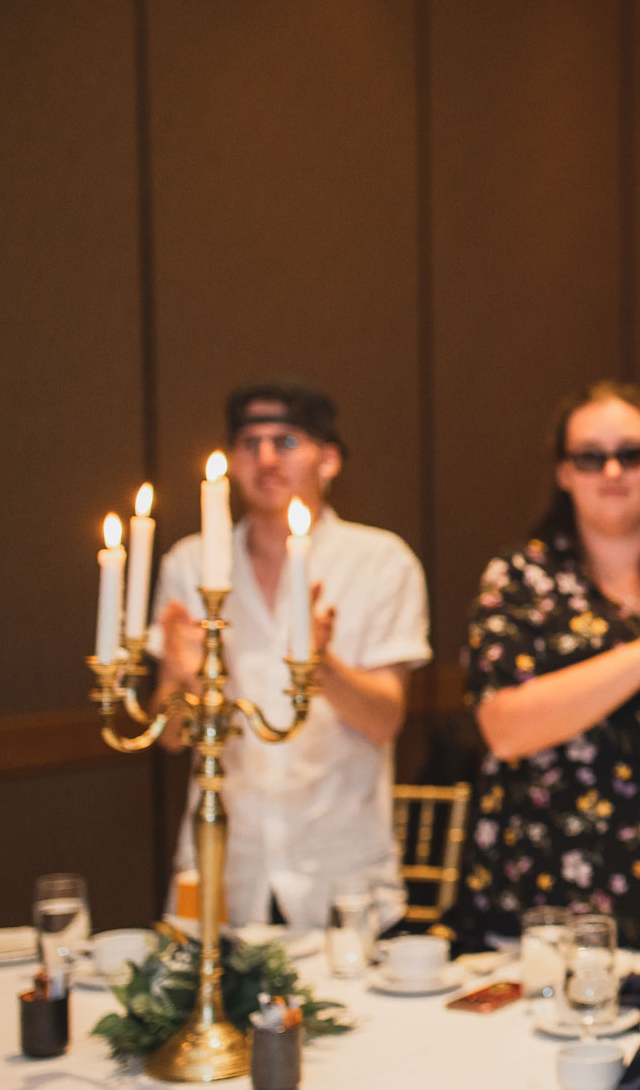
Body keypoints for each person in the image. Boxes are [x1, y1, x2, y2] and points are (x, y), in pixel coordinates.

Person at [452, 381, 640, 956]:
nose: (612, 471)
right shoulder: (519, 579)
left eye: (632, 454)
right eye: (590, 457)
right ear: (564, 473)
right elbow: (504, 728)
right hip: (541, 891)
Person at [150, 378, 431, 930]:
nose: (264, 459)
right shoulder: (191, 564)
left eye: (285, 442)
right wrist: (183, 680)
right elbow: (171, 735)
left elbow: (385, 720)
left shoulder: (380, 562)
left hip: (338, 866)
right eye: (248, 443)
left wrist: (320, 666)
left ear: (328, 459)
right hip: (225, 864)